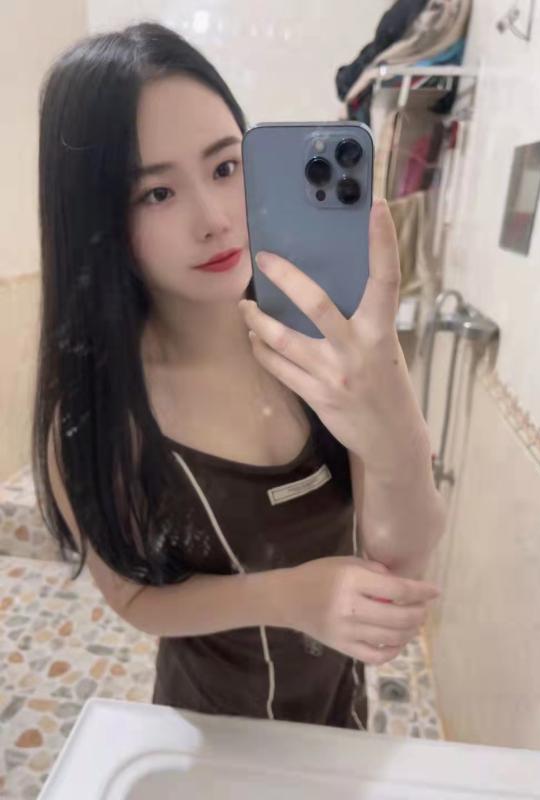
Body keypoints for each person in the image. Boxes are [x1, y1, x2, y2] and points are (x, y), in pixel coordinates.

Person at [32, 22, 444, 730]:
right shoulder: (99, 411)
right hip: (208, 728)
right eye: (156, 194)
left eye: (226, 168)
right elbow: (133, 598)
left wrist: (394, 422)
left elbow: (401, 554)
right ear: (94, 216)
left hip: (339, 723)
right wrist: (291, 598)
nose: (216, 220)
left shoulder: (331, 343)